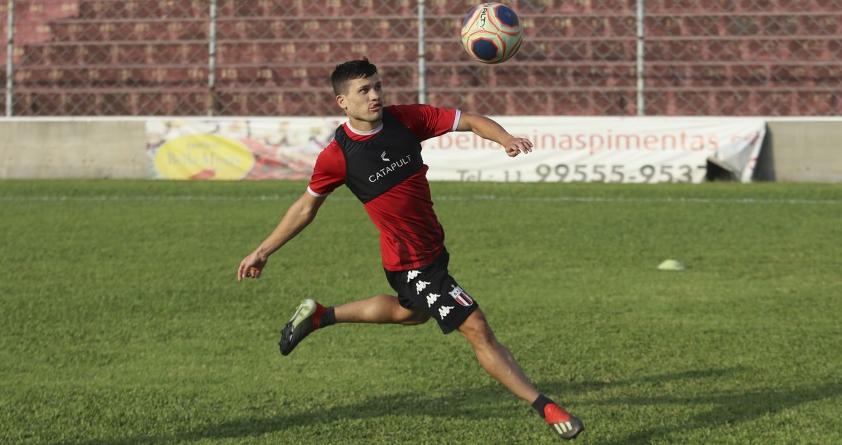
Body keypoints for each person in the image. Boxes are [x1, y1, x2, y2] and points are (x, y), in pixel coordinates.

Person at [236, 59, 584, 440]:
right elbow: (305, 207)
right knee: (476, 327)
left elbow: (468, 119)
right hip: (411, 263)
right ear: (342, 102)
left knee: (411, 314)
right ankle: (546, 407)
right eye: (364, 91)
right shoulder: (338, 155)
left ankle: (320, 315)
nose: (374, 96)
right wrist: (263, 250)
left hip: (432, 249)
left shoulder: (405, 120)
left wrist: (504, 138)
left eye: (377, 87)